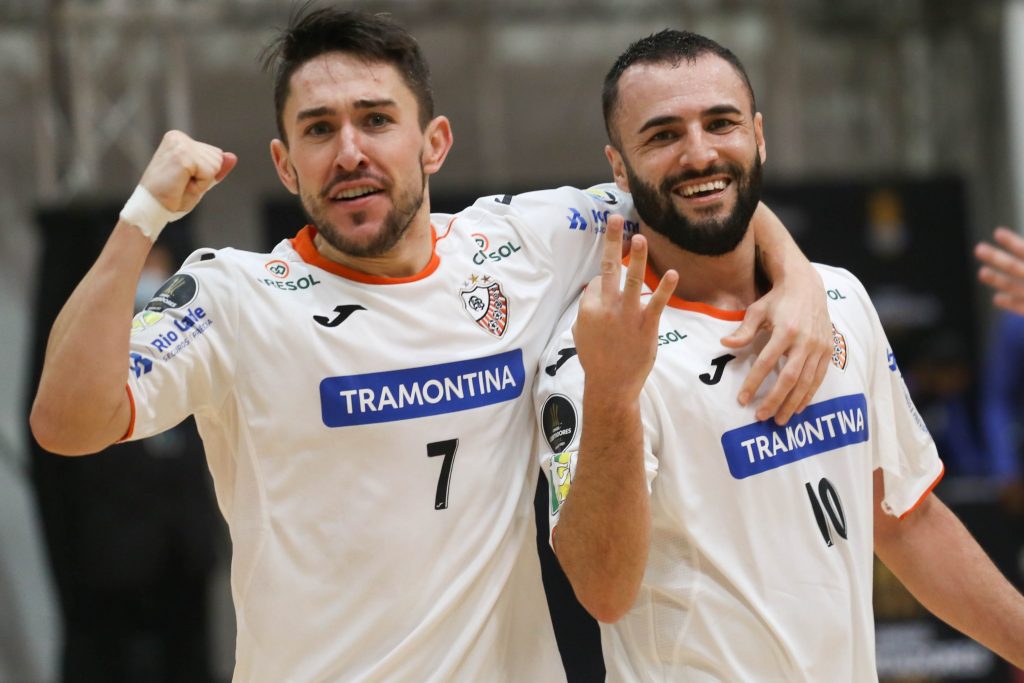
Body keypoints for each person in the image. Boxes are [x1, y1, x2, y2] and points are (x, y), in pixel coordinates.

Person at [29, 9, 831, 681]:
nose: (349, 151)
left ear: (434, 142)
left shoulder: (522, 247)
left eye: (376, 120)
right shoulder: (234, 296)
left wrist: (797, 276)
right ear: (285, 163)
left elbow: (690, 183)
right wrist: (142, 216)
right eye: (319, 129)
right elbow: (67, 422)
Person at [534, 29, 1024, 681]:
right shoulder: (591, 351)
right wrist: (613, 395)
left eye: (721, 123)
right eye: (663, 135)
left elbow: (905, 521)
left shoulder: (838, 297)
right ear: (618, 168)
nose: (699, 153)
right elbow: (602, 591)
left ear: (759, 135)